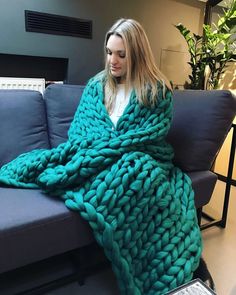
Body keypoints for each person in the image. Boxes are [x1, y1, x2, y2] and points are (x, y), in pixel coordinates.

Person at [0, 18, 202, 295]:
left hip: (143, 156)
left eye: (121, 55)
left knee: (137, 170)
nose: (112, 61)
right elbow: (81, 133)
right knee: (109, 170)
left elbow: (152, 135)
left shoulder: (155, 90)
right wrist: (104, 151)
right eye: (109, 52)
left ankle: (156, 265)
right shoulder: (97, 86)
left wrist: (115, 150)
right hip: (96, 155)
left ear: (138, 54)